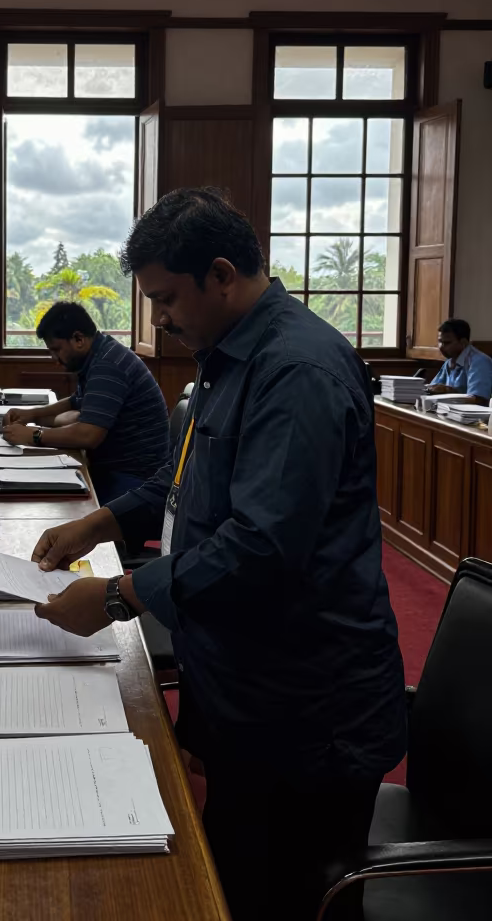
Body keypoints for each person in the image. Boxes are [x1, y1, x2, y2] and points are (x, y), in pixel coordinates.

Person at [28, 188, 406, 921]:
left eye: (167, 298)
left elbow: (260, 546)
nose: (160, 319)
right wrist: (100, 522)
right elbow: (183, 491)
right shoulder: (226, 356)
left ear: (223, 274)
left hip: (304, 706)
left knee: (270, 893)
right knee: (229, 869)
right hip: (243, 677)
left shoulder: (296, 371)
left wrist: (115, 599)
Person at [2, 301, 170, 503]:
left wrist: (34, 435)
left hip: (135, 482)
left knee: (57, 506)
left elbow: (88, 435)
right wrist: (33, 414)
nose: (54, 358)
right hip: (120, 471)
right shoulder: (101, 353)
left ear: (78, 339)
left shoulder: (108, 366)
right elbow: (77, 401)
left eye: (56, 349)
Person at [426, 318, 492, 405]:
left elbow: (480, 399)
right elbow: (433, 388)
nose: (441, 347)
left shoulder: (479, 362)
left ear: (463, 342)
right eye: (440, 342)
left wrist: (449, 391)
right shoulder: (449, 361)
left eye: (447, 343)